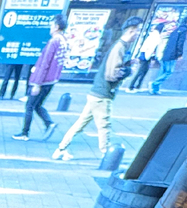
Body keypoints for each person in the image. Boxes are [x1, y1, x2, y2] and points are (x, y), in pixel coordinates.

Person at [52, 16, 142, 161]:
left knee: (80, 123)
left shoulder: (121, 46)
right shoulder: (119, 47)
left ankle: (61, 149)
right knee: (104, 125)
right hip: (103, 94)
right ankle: (107, 155)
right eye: (137, 31)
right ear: (131, 31)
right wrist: (129, 70)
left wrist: (127, 64)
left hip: (97, 92)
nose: (138, 34)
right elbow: (111, 74)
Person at [13, 15, 68, 140]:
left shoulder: (53, 42)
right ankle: (49, 123)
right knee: (37, 105)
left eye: (52, 25)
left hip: (43, 80)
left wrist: (37, 83)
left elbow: (45, 63)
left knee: (30, 106)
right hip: (51, 80)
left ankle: (25, 133)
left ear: (56, 27)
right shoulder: (64, 41)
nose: (50, 27)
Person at [151, 22, 187, 94]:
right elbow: (180, 43)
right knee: (168, 72)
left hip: (165, 53)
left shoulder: (175, 31)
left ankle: (155, 89)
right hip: (172, 55)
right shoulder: (183, 31)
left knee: (163, 71)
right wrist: (179, 54)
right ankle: (155, 83)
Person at [126, 23, 165, 91]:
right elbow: (152, 47)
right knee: (141, 71)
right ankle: (131, 86)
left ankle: (137, 86)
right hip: (147, 55)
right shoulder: (156, 36)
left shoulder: (153, 34)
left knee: (143, 71)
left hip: (145, 54)